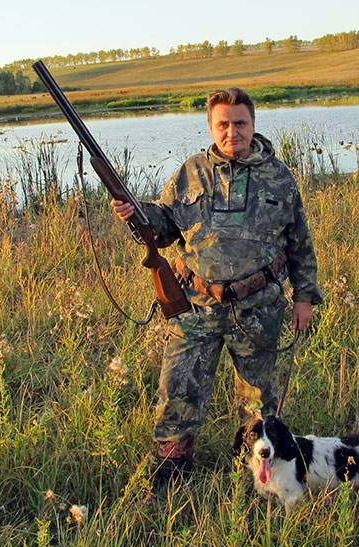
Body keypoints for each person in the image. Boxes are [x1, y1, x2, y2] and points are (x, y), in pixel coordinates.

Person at [110, 87, 324, 482]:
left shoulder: (279, 176)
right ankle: (172, 475)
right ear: (211, 127)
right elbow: (164, 228)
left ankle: (261, 479)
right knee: (178, 392)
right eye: (223, 124)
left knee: (259, 400)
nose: (232, 132)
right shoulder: (190, 172)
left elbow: (300, 243)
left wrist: (305, 297)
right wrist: (136, 215)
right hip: (196, 307)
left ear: (253, 124)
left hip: (259, 309)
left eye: (240, 123)